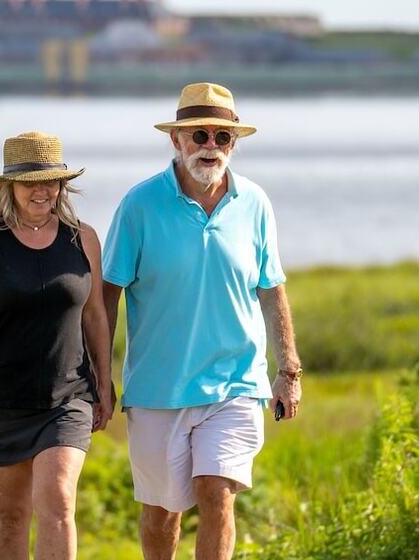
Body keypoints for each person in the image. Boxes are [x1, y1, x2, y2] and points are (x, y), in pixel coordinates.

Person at [102, 83, 303, 559]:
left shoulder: (255, 203)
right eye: (199, 136)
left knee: (218, 493)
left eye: (222, 137)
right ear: (177, 140)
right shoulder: (139, 205)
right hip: (158, 387)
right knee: (162, 512)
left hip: (235, 383)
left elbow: (272, 289)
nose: (211, 147)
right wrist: (99, 375)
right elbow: (105, 296)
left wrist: (288, 369)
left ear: (234, 144)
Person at [0, 131, 113, 560]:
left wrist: (105, 382)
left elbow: (95, 314)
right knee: (11, 519)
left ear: (62, 184)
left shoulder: (83, 239)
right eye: (29, 181)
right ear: (8, 188)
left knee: (57, 502)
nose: (41, 190)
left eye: (50, 180)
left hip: (67, 397)